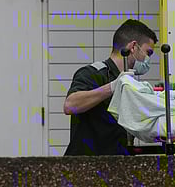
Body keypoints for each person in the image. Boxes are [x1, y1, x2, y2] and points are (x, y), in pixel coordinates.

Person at [63, 19, 158, 155]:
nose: (148, 60)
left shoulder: (130, 84)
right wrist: (112, 87)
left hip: (114, 163)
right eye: (148, 53)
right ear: (133, 47)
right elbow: (70, 105)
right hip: (85, 165)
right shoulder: (93, 74)